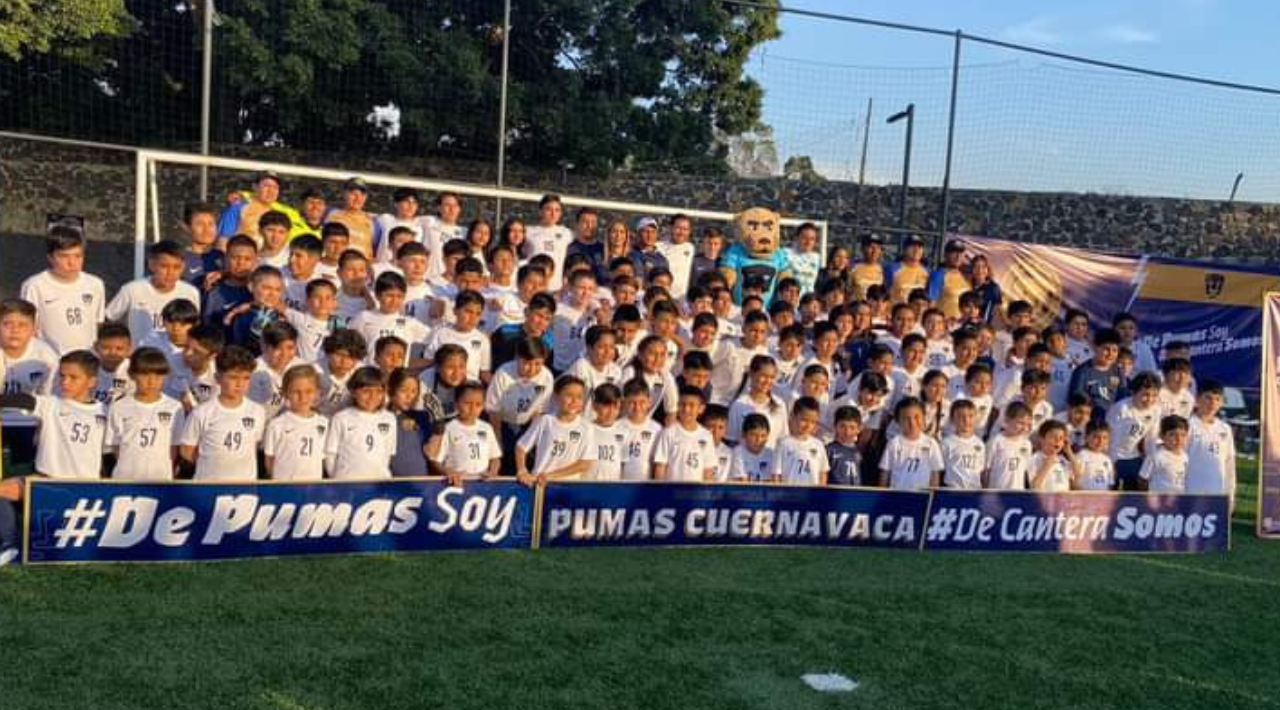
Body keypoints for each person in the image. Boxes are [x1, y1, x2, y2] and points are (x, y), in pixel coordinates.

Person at [178, 345, 266, 481]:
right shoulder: (202, 412)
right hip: (208, 485)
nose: (239, 384)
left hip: (245, 486)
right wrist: (209, 466)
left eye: (246, 378)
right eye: (233, 377)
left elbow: (254, 444)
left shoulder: (258, 411)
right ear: (218, 378)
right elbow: (187, 450)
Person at [20, 225, 106, 354]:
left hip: (87, 362)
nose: (72, 262)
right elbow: (27, 328)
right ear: (50, 257)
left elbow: (98, 324)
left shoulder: (95, 284)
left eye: (78, 256)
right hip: (51, 363)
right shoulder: (34, 286)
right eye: (64, 256)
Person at [104, 347, 184, 481]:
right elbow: (114, 445)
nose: (151, 381)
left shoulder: (175, 407)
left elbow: (174, 446)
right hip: (125, 479)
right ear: (132, 374)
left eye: (158, 375)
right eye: (145, 374)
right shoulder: (119, 406)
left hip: (161, 479)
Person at [485, 338, 555, 476]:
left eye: (538, 364)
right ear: (517, 357)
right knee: (502, 459)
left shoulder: (546, 377)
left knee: (525, 460)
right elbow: (494, 412)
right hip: (502, 423)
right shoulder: (503, 374)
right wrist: (498, 443)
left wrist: (530, 438)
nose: (532, 369)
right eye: (527, 363)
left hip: (527, 423)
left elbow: (539, 411)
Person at [515, 375, 596, 485]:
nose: (574, 401)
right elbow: (521, 447)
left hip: (569, 487)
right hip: (540, 485)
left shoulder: (586, 427)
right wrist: (522, 470)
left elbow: (584, 463)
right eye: (569, 395)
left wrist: (550, 476)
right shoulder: (544, 420)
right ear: (557, 396)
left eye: (579, 396)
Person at [325, 366, 397, 479]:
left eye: (378, 391)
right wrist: (337, 481)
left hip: (379, 483)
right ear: (353, 392)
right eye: (366, 391)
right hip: (347, 483)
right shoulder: (341, 418)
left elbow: (388, 453)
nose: (372, 397)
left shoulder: (389, 418)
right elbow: (331, 454)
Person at [263, 364, 328, 481]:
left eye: (309, 391)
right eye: (296, 392)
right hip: (284, 487)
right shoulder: (276, 424)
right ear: (286, 393)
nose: (303, 397)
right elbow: (269, 460)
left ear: (317, 393)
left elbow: (322, 459)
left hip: (312, 488)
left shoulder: (324, 423)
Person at [431, 381, 501, 486]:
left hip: (482, 484)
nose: (472, 409)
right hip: (457, 483)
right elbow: (436, 460)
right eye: (467, 403)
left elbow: (495, 458)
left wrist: (493, 472)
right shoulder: (448, 428)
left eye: (478, 404)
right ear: (456, 404)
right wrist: (448, 472)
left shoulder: (487, 428)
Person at [1106, 372, 1162, 491]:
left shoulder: (1156, 410)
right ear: (1134, 392)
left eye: (1154, 395)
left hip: (1134, 457)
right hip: (1115, 458)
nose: (1150, 399)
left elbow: (1150, 441)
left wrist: (1150, 463)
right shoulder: (1121, 408)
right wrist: (1111, 464)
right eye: (1145, 395)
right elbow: (1110, 440)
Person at [653, 386, 718, 482]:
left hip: (696, 493)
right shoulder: (668, 432)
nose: (686, 409)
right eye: (683, 404)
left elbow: (708, 470)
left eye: (692, 405)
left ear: (701, 409)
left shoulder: (707, 436)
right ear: (677, 406)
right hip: (672, 492)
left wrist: (705, 495)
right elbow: (660, 467)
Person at [217, 171, 304, 242]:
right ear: (255, 187)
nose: (271, 191)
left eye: (275, 187)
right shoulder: (237, 208)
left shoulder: (279, 214)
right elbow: (223, 240)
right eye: (266, 186)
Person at [248, 321, 311, 419]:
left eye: (290, 348)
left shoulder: (301, 366)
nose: (284, 354)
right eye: (277, 348)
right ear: (264, 346)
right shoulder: (253, 371)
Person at [1185, 380, 1236, 501]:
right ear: (1197, 399)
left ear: (1222, 402)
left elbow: (1229, 464)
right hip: (1190, 493)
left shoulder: (1225, 429)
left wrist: (1230, 495)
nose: (1212, 403)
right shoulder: (1186, 425)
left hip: (1217, 495)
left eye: (1217, 399)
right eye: (1208, 398)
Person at [878, 396, 944, 490]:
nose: (912, 422)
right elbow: (885, 473)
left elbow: (935, 473)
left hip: (922, 496)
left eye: (917, 417)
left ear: (924, 417)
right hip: (898, 495)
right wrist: (882, 495)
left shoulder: (931, 443)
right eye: (906, 418)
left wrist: (932, 495)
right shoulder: (893, 444)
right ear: (898, 421)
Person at [202, 235, 257, 327]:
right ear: (226, 258)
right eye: (235, 258)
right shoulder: (213, 290)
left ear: (255, 261)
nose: (240, 263)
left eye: (247, 259)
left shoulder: (259, 292)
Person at [772, 397, 829, 486]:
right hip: (789, 494)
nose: (808, 425)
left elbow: (822, 472)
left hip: (811, 495)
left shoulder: (819, 444)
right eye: (804, 420)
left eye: (813, 422)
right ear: (793, 417)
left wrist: (820, 493)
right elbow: (776, 474)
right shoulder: (783, 443)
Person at [524, 194, 574, 291]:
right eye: (548, 209)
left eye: (557, 210)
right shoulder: (528, 231)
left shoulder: (567, 233)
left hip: (556, 288)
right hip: (532, 286)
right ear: (540, 211)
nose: (553, 213)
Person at [317, 328, 366, 416]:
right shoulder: (313, 371)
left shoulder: (362, 372)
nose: (344, 361)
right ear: (328, 353)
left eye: (351, 357)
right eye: (339, 355)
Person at [984, 401, 1033, 490]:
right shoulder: (996, 441)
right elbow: (986, 470)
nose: (1024, 428)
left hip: (1018, 493)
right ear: (1007, 419)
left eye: (1027, 424)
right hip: (997, 492)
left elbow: (1025, 472)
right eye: (1021, 423)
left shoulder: (1027, 444)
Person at [324, 177, 376, 259]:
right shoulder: (332, 216)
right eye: (353, 193)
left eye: (362, 194)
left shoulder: (373, 222)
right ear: (344, 194)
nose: (357, 198)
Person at [1138, 415, 1190, 493]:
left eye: (1183, 435)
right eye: (1172, 434)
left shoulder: (1186, 456)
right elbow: (1142, 479)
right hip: (1159, 501)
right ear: (1162, 436)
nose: (1178, 439)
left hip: (1180, 500)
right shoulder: (1156, 456)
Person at [942, 399, 986, 490]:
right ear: (952, 419)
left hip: (975, 491)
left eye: (970, 416)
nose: (966, 420)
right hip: (953, 491)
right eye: (961, 416)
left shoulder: (980, 444)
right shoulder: (946, 443)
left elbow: (981, 472)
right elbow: (940, 471)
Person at [926, 240, 972, 320]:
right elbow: (931, 304)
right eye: (954, 252)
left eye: (961, 253)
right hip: (945, 325)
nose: (958, 256)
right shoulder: (938, 275)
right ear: (946, 255)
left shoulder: (965, 276)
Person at [589, 383, 626, 480]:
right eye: (606, 406)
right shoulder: (585, 430)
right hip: (588, 488)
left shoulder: (623, 431)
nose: (611, 412)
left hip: (613, 489)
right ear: (594, 406)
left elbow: (622, 465)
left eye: (616, 407)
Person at [1029, 420, 1076, 492]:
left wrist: (1069, 452)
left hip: (1063, 501)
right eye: (1053, 437)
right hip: (1045, 501)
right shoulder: (1034, 459)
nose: (1057, 440)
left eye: (1061, 438)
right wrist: (1046, 466)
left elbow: (1078, 473)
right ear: (1041, 438)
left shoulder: (1062, 460)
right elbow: (1034, 487)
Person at [1072, 421, 1115, 491]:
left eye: (1105, 437)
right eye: (1096, 437)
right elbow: (1074, 482)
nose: (1101, 441)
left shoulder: (1107, 460)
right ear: (1086, 437)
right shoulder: (1082, 455)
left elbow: (1110, 484)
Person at [629, 217, 670, 285]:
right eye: (645, 231)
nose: (649, 235)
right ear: (638, 233)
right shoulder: (630, 254)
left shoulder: (662, 260)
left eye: (653, 232)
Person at [784, 222, 822, 296]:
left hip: (807, 302)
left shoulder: (816, 257)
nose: (808, 242)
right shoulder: (785, 254)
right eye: (804, 238)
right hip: (789, 302)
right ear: (796, 238)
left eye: (812, 239)